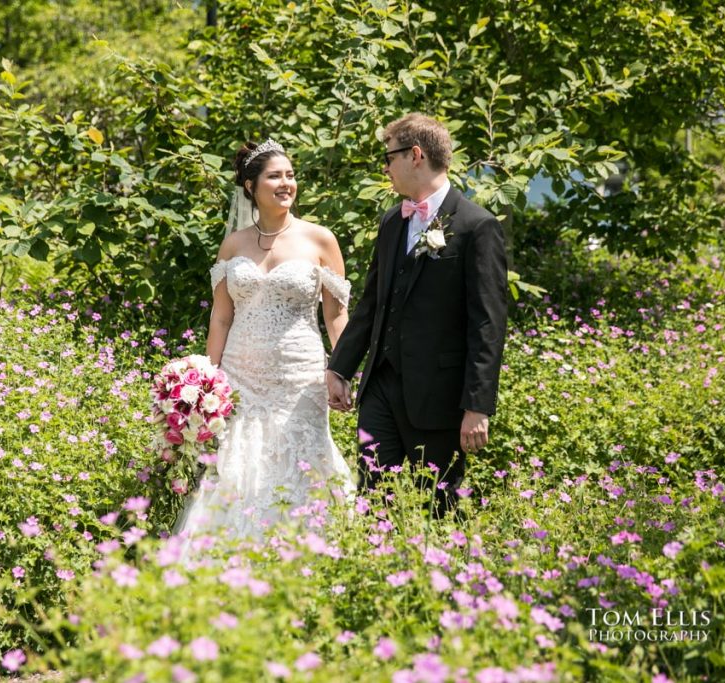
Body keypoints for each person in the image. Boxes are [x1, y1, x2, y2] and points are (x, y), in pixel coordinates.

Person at [174, 138, 355, 546]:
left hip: (299, 376)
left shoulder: (320, 240)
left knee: (301, 463)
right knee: (238, 464)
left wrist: (341, 370)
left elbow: (336, 315)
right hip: (240, 375)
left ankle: (306, 552)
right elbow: (221, 317)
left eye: (290, 175)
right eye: (275, 176)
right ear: (251, 187)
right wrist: (206, 382)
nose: (286, 183)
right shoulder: (234, 244)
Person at [326, 114, 508, 516]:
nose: (385, 168)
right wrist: (339, 369)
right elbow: (373, 303)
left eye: (388, 157)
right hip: (380, 389)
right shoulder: (393, 220)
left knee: (440, 507)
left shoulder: (478, 227)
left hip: (440, 396)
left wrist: (478, 406)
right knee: (374, 499)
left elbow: (488, 325)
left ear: (416, 155)